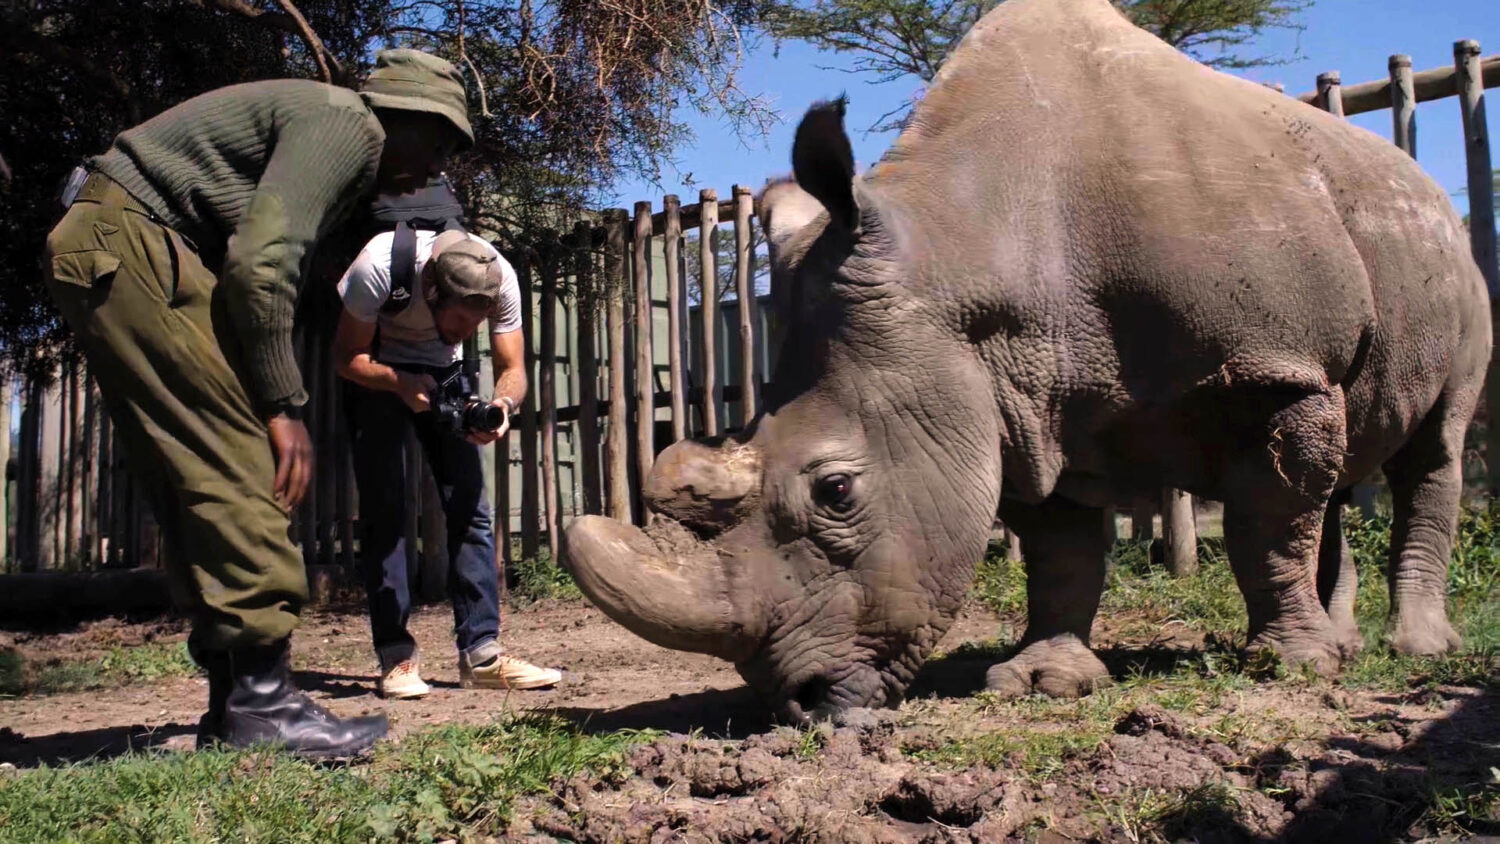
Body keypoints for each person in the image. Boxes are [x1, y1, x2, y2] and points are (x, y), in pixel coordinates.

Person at [43, 49, 473, 759]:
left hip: (112, 239)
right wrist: (283, 404)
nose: (437, 165)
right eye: (439, 141)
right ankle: (263, 703)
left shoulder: (327, 125)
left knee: (191, 471)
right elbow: (262, 263)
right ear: (400, 114)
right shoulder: (348, 124)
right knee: (241, 463)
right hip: (131, 238)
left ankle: (234, 700)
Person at [335, 226, 563, 699]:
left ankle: (482, 654)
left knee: (470, 511)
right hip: (376, 371)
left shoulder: (497, 278)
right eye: (458, 320)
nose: (465, 333)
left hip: (444, 376)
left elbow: (512, 369)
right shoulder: (378, 265)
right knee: (386, 513)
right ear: (431, 289)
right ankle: (396, 658)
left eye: (475, 324)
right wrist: (399, 383)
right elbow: (345, 358)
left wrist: (501, 406)